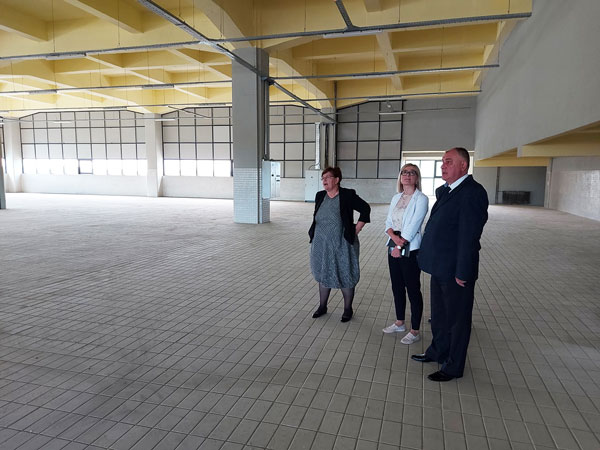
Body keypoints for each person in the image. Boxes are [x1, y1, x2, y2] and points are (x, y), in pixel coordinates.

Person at [412, 147, 488, 382]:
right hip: (440, 266)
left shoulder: (473, 193)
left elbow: (469, 236)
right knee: (439, 315)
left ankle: (454, 366)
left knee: (457, 320)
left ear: (463, 166)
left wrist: (463, 271)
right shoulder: (447, 190)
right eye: (442, 161)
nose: (443, 166)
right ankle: (438, 351)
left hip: (456, 270)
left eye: (449, 162)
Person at [308, 167, 370, 322]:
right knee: (324, 272)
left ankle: (348, 309)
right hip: (321, 244)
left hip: (342, 244)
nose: (324, 180)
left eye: (327, 177)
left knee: (345, 272)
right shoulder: (320, 195)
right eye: (323, 178)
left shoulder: (347, 195)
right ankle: (322, 306)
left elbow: (365, 209)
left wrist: (356, 229)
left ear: (337, 180)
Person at [382, 164, 429, 344]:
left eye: (412, 173)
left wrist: (399, 246)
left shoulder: (421, 199)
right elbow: (388, 222)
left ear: (417, 178)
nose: (407, 175)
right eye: (404, 172)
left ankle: (415, 330)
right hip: (393, 245)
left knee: (413, 289)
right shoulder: (396, 197)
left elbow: (413, 225)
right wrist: (393, 238)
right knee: (397, 286)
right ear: (400, 177)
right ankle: (399, 322)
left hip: (410, 249)